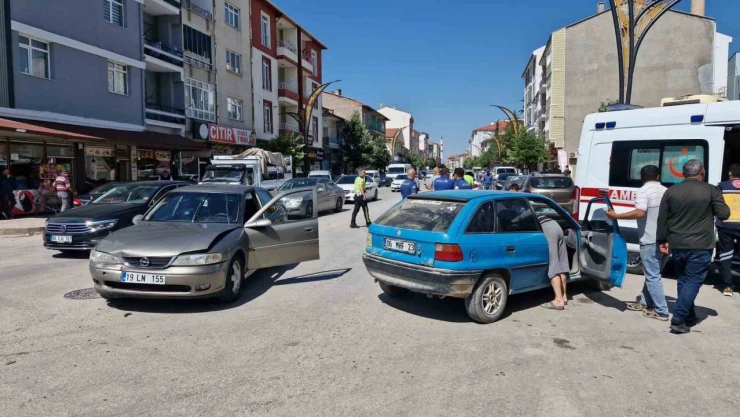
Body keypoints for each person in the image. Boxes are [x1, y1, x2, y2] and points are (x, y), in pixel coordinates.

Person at [656, 159, 730, 334]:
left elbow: (662, 219)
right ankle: (678, 318)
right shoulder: (711, 190)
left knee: (683, 280)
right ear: (702, 172)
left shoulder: (671, 191)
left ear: (683, 173)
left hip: (678, 243)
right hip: (701, 244)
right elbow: (724, 214)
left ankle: (689, 316)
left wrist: (662, 240)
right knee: (693, 280)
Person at [606, 165, 669, 321]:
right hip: (665, 239)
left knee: (652, 276)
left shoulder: (643, 191)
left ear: (642, 178)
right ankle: (645, 302)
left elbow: (640, 212)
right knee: (653, 274)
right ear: (658, 176)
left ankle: (661, 311)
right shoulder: (666, 191)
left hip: (649, 239)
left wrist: (616, 216)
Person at [715, 163, 740, 297]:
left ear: (730, 173)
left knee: (726, 255)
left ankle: (727, 286)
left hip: (726, 225)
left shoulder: (722, 186)